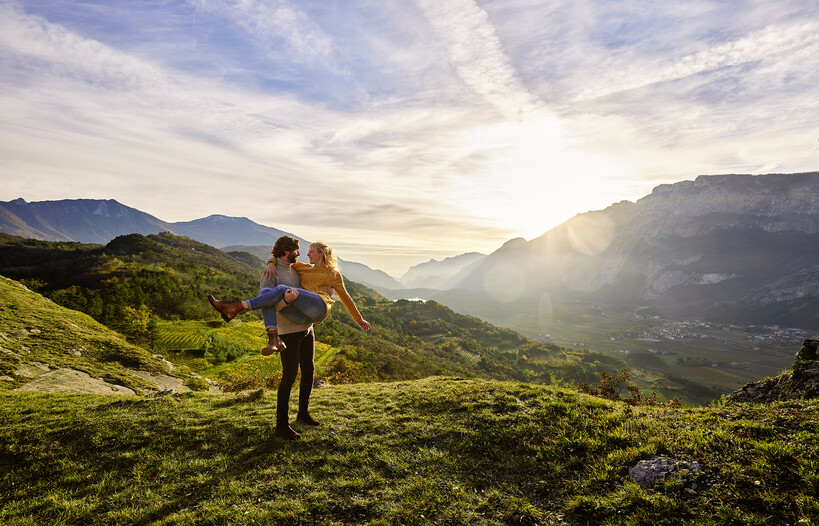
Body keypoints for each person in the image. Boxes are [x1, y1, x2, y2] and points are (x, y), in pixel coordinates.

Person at [207, 238, 371, 439]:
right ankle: (281, 425)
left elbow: (344, 297)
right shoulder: (271, 272)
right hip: (288, 331)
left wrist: (358, 318)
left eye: (309, 251)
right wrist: (275, 274)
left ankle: (303, 413)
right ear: (286, 251)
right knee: (289, 375)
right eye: (298, 250)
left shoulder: (298, 268)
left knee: (309, 370)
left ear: (321, 254)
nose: (302, 254)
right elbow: (268, 303)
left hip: (306, 327)